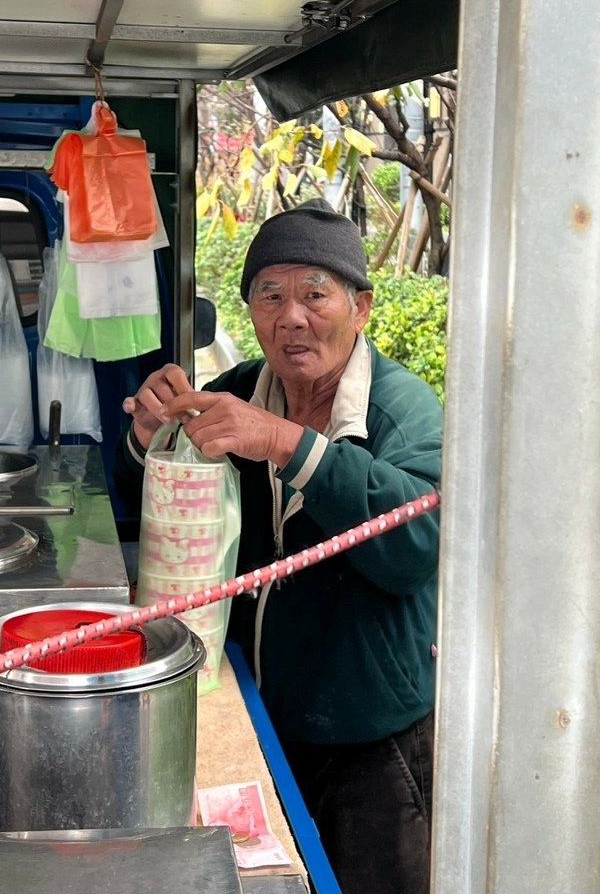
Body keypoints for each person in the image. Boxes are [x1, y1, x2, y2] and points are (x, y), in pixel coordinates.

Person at [115, 198, 443, 894]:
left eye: (314, 294)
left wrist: (286, 443)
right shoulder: (237, 392)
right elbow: (151, 497)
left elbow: (414, 547)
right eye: (270, 295)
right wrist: (150, 437)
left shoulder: (402, 410)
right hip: (260, 714)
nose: (291, 316)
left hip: (372, 742)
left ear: (361, 307)